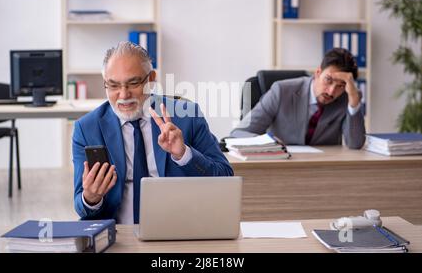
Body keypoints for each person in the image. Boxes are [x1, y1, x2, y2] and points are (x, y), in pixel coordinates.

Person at [72, 41, 233, 223]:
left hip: (179, 230)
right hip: (117, 235)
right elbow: (80, 205)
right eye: (113, 85)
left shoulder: (188, 117)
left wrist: (184, 154)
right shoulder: (87, 128)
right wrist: (91, 198)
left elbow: (225, 179)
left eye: (133, 83)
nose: (124, 95)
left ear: (151, 79)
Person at [230, 48, 365, 149]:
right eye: (328, 80)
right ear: (318, 72)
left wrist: (353, 99)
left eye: (340, 86)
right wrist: (268, 142)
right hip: (279, 166)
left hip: (323, 170)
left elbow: (355, 144)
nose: (331, 91)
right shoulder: (281, 91)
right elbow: (239, 133)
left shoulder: (348, 97)